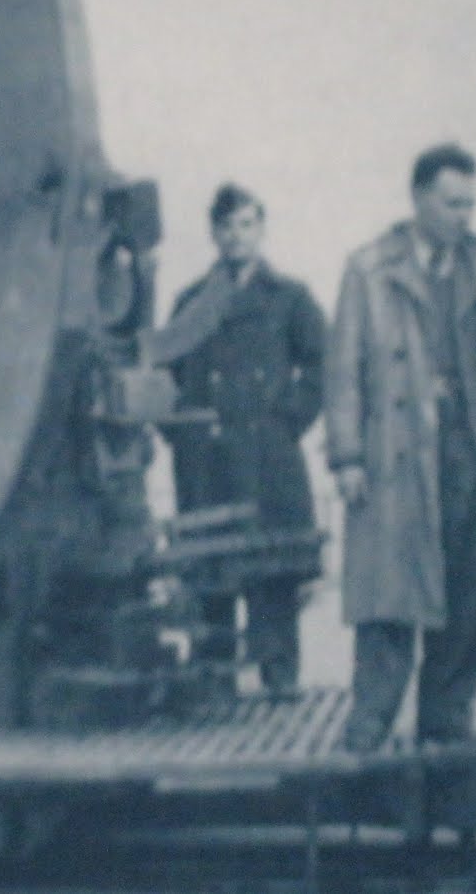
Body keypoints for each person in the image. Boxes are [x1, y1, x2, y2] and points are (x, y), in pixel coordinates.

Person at [325, 142, 476, 752]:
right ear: (419, 198)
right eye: (452, 202)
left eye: (470, 204)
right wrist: (346, 457)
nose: (463, 216)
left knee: (466, 606)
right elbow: (343, 370)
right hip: (397, 465)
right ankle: (367, 738)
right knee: (389, 610)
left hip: (467, 462)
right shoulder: (368, 270)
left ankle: (446, 735)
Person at [164, 183, 326, 695]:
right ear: (213, 233)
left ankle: (281, 683)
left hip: (266, 459)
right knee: (211, 579)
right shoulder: (190, 303)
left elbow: (324, 366)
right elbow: (161, 379)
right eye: (226, 227)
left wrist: (285, 425)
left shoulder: (289, 297)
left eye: (246, 225)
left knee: (272, 575)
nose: (236, 237)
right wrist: (183, 436)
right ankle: (214, 688)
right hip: (207, 463)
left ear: (262, 230)